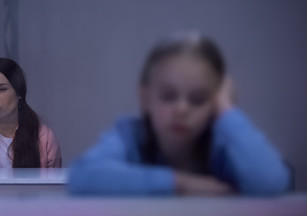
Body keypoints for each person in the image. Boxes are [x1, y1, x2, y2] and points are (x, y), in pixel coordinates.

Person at [68, 32, 290, 195]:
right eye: (168, 96)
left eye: (198, 99)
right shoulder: (130, 135)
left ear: (214, 103)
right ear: (146, 98)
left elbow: (272, 183)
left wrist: (227, 110)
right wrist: (181, 183)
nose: (182, 109)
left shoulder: (222, 147)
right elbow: (82, 177)